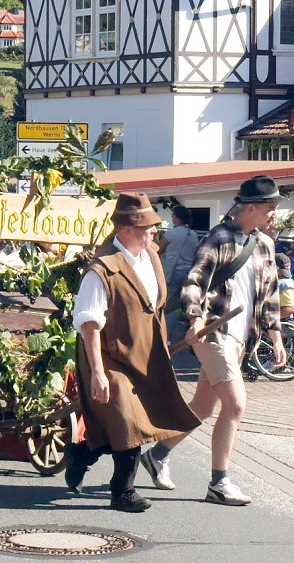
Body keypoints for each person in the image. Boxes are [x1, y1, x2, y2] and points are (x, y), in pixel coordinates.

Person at [141, 175, 286, 506]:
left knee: (205, 406)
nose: (274, 213)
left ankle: (158, 454)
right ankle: (219, 482)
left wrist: (276, 336)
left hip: (239, 339)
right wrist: (194, 318)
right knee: (236, 404)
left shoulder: (265, 243)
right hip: (213, 333)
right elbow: (194, 282)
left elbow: (270, 294)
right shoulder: (218, 238)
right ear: (249, 208)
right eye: (270, 207)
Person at [66, 192, 200, 512]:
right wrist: (97, 372)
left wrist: (172, 340)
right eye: (148, 226)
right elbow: (89, 324)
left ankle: (81, 454)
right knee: (129, 420)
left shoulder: (151, 256)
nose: (155, 231)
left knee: (137, 420)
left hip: (145, 355)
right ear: (127, 229)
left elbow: (153, 309)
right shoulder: (102, 269)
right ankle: (122, 491)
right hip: (110, 357)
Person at [160, 205, 199, 341]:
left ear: (177, 217)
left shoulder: (172, 233)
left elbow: (159, 249)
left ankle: (165, 336)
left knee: (166, 305)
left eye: (173, 216)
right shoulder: (193, 235)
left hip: (170, 272)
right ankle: (173, 334)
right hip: (186, 273)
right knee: (177, 305)